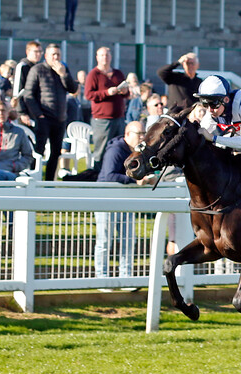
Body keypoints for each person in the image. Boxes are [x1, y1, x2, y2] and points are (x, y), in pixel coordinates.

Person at [94, 121, 157, 282]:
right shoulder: (115, 150)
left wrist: (147, 177)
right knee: (104, 241)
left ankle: (126, 277)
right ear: (127, 134)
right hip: (106, 200)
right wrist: (134, 181)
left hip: (126, 201)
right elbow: (109, 176)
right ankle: (101, 278)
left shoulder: (138, 152)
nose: (143, 137)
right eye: (139, 134)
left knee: (129, 240)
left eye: (144, 133)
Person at [22, 43, 78, 181]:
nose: (56, 57)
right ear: (46, 56)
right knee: (39, 151)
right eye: (53, 54)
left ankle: (49, 181)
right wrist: (38, 115)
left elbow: (73, 89)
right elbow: (28, 95)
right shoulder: (37, 70)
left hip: (59, 118)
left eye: (58, 54)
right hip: (44, 117)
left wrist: (63, 74)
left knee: (56, 152)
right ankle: (35, 178)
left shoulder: (63, 69)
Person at [85, 46, 128, 169]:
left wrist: (124, 91)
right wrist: (107, 92)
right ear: (97, 57)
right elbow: (88, 95)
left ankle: (116, 174)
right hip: (102, 120)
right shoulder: (94, 74)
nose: (105, 57)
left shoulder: (118, 73)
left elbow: (127, 94)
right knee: (101, 151)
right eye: (102, 55)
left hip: (119, 118)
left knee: (120, 148)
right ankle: (99, 177)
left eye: (107, 55)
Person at [12, 41, 42, 127]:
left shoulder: (38, 68)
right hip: (25, 112)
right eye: (36, 52)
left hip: (36, 110)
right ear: (28, 52)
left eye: (40, 52)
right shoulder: (22, 66)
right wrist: (22, 112)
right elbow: (17, 92)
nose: (38, 54)